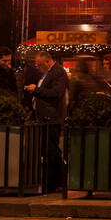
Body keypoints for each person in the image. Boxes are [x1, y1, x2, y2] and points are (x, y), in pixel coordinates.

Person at [24, 50, 69, 194]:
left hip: (52, 117)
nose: (37, 67)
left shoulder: (58, 72)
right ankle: (53, 183)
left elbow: (56, 93)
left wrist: (36, 90)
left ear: (47, 61)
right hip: (45, 117)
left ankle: (57, 182)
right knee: (48, 150)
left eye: (39, 65)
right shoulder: (48, 72)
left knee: (52, 151)